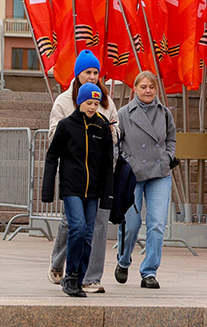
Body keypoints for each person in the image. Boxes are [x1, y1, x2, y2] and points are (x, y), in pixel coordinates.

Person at [47, 50, 118, 293]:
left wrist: (108, 135)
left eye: (96, 72)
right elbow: (55, 137)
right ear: (78, 74)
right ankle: (60, 264)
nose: (92, 76)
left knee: (92, 228)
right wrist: (78, 135)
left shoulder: (106, 103)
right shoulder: (64, 103)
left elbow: (115, 130)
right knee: (71, 225)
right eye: (88, 72)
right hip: (73, 175)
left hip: (96, 176)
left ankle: (87, 277)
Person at [114, 70, 176, 289]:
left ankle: (149, 271)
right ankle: (123, 259)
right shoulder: (123, 113)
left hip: (159, 173)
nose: (148, 91)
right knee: (131, 224)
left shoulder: (165, 113)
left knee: (157, 224)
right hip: (133, 175)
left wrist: (167, 158)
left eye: (151, 87)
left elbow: (171, 139)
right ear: (135, 89)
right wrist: (129, 162)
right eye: (143, 87)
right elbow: (117, 144)